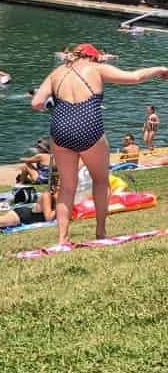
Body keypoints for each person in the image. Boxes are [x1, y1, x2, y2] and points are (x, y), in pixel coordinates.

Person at [30, 44, 168, 245]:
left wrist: (54, 107)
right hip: (88, 125)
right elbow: (134, 77)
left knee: (67, 187)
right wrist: (160, 70)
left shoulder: (56, 73)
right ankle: (101, 232)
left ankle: (62, 239)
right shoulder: (96, 68)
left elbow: (36, 103)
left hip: (60, 128)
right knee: (101, 181)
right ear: (93, 58)